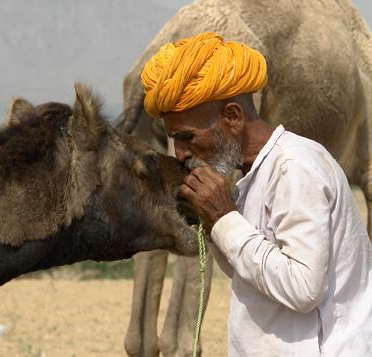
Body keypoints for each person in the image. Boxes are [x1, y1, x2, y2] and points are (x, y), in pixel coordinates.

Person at [141, 32, 372, 356]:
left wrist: (225, 218)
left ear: (233, 117)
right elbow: (253, 274)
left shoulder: (294, 167)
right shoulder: (257, 171)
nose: (180, 153)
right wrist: (213, 224)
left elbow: (303, 288)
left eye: (187, 137)